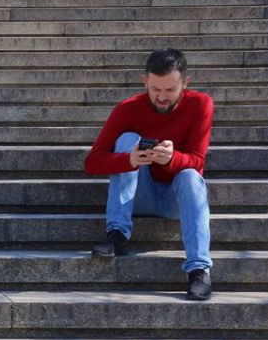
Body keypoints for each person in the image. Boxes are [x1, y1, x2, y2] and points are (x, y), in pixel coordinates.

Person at [85, 48, 214, 300]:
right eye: (155, 89)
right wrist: (129, 160)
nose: (162, 97)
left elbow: (198, 161)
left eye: (170, 89)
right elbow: (92, 162)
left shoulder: (200, 104)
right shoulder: (127, 109)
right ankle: (117, 235)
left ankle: (199, 270)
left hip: (176, 199)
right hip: (138, 195)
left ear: (185, 83)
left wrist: (172, 159)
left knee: (190, 176)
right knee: (127, 140)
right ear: (145, 81)